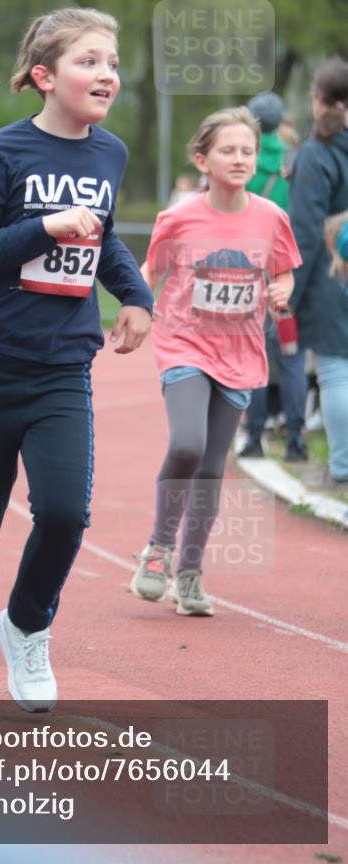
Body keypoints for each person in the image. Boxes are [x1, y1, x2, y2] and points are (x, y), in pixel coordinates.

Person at [0, 7, 153, 715]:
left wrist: (135, 295)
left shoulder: (109, 155)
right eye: (88, 61)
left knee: (63, 513)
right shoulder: (2, 152)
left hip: (61, 363)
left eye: (110, 63)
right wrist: (42, 227)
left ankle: (25, 625)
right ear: (45, 76)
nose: (105, 74)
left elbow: (103, 238)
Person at [132, 107, 301, 616]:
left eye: (247, 151)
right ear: (202, 159)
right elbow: (150, 268)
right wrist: (137, 307)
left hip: (241, 351)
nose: (240, 159)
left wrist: (280, 289)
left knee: (210, 470)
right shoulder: (179, 217)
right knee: (188, 442)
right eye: (228, 150)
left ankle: (190, 574)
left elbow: (287, 270)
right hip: (184, 342)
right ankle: (159, 548)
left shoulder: (271, 218)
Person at [288, 57, 348, 486]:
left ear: (320, 100)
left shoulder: (317, 153)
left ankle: (342, 466)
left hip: (333, 274)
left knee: (333, 371)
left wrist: (290, 288)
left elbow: (306, 232)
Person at [240, 91, 308, 462]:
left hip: (249, 272)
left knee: (257, 356)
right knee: (293, 357)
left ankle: (254, 438)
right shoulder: (296, 159)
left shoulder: (243, 161)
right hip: (291, 270)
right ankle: (296, 440)